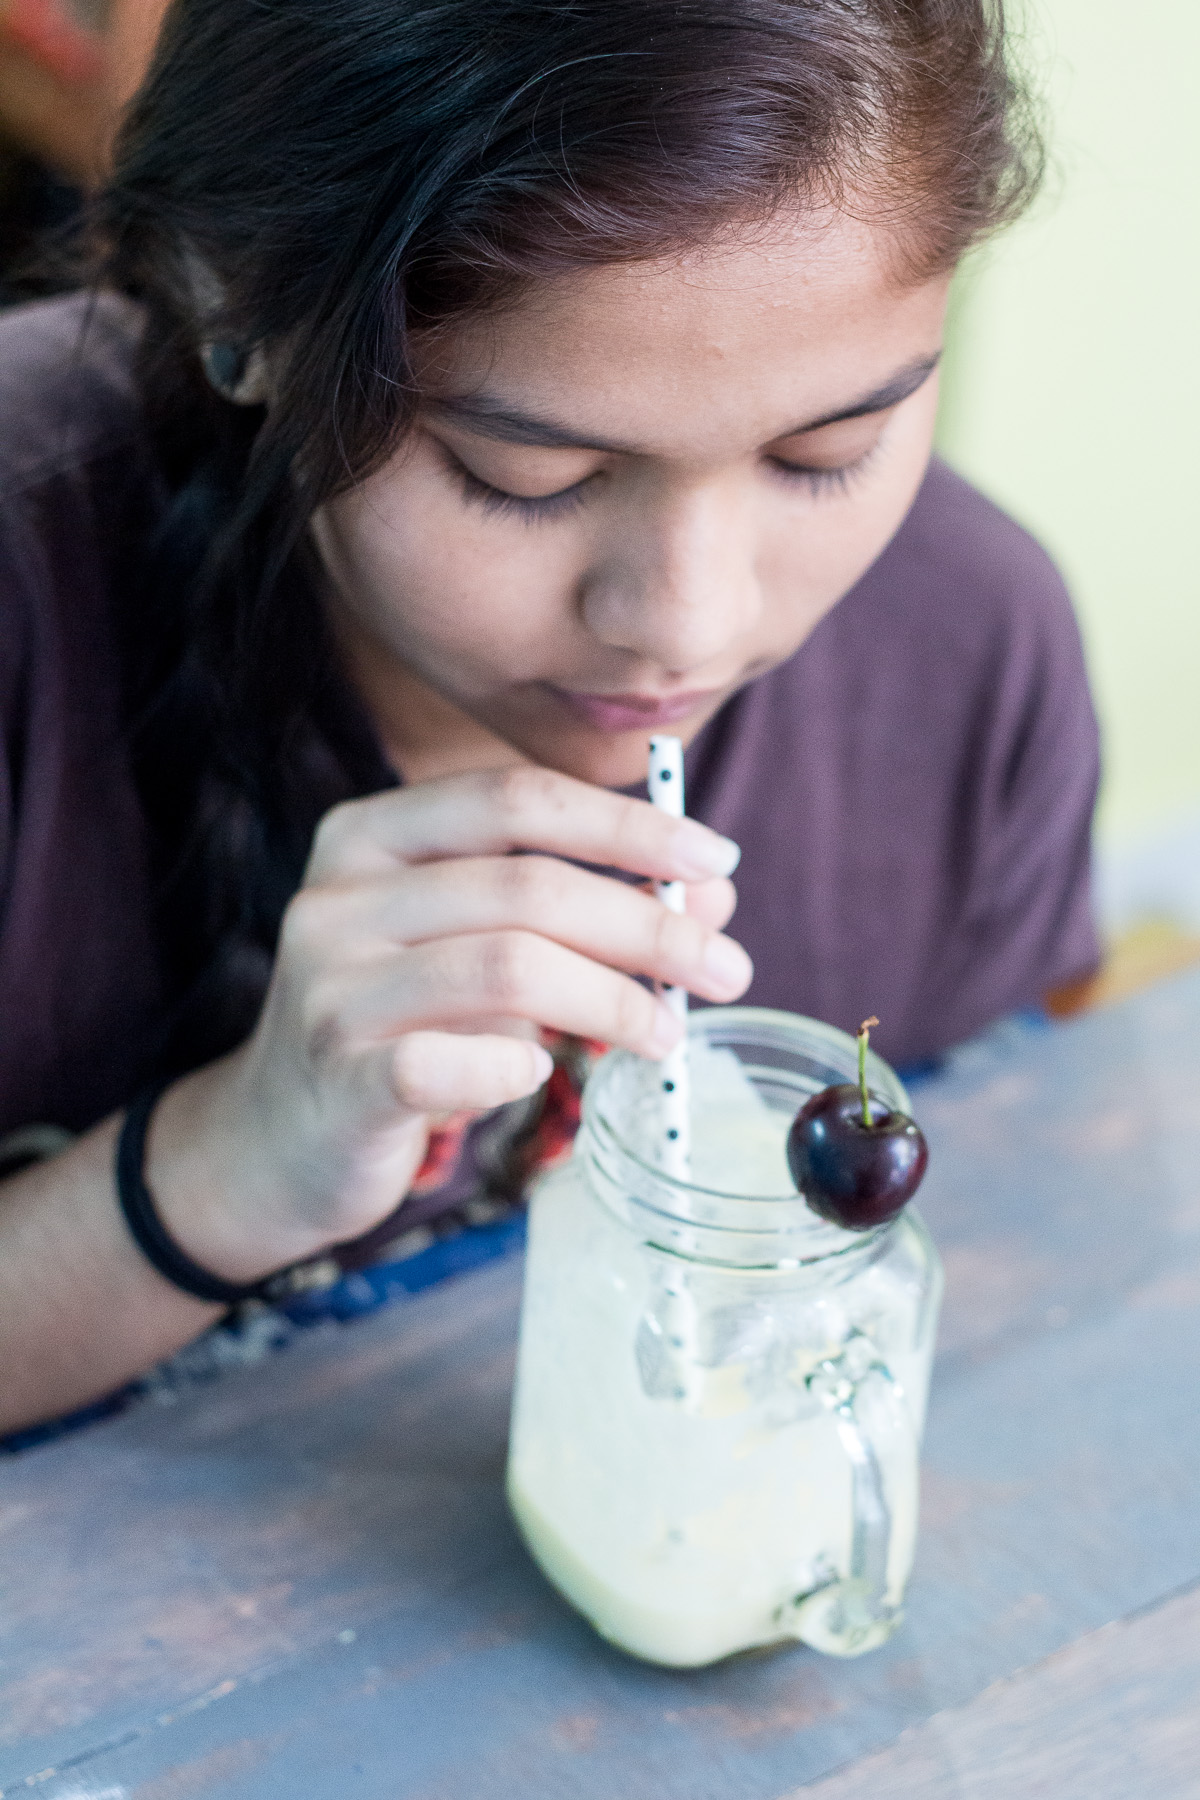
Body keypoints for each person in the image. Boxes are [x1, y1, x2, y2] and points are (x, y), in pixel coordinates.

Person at [0, 0, 1100, 1435]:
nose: (691, 625)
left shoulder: (966, 651)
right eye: (528, 475)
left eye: (828, 451)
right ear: (233, 307)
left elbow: (1031, 1260)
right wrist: (217, 1170)